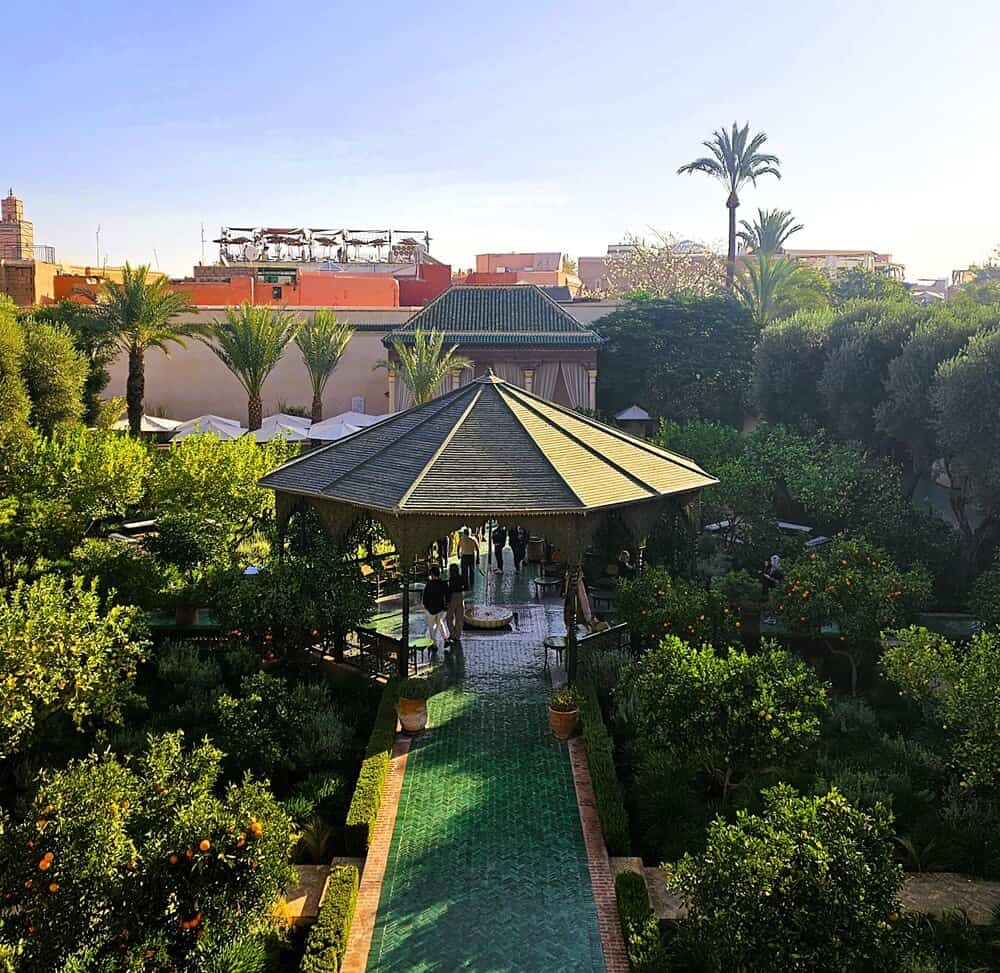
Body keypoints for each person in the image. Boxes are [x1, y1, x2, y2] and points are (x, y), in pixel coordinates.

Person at [421, 565, 450, 651]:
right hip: (440, 608)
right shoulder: (443, 584)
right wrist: (446, 605)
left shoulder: (429, 584)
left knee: (431, 626)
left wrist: (426, 606)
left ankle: (434, 644)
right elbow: (448, 595)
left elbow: (425, 598)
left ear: (432, 574)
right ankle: (445, 639)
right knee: (440, 622)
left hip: (430, 609)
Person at [446, 562, 466, 644]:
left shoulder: (451, 579)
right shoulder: (461, 577)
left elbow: (449, 590)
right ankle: (457, 636)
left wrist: (447, 601)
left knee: (449, 617)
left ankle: (453, 634)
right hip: (460, 596)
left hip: (453, 597)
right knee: (459, 617)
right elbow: (466, 586)